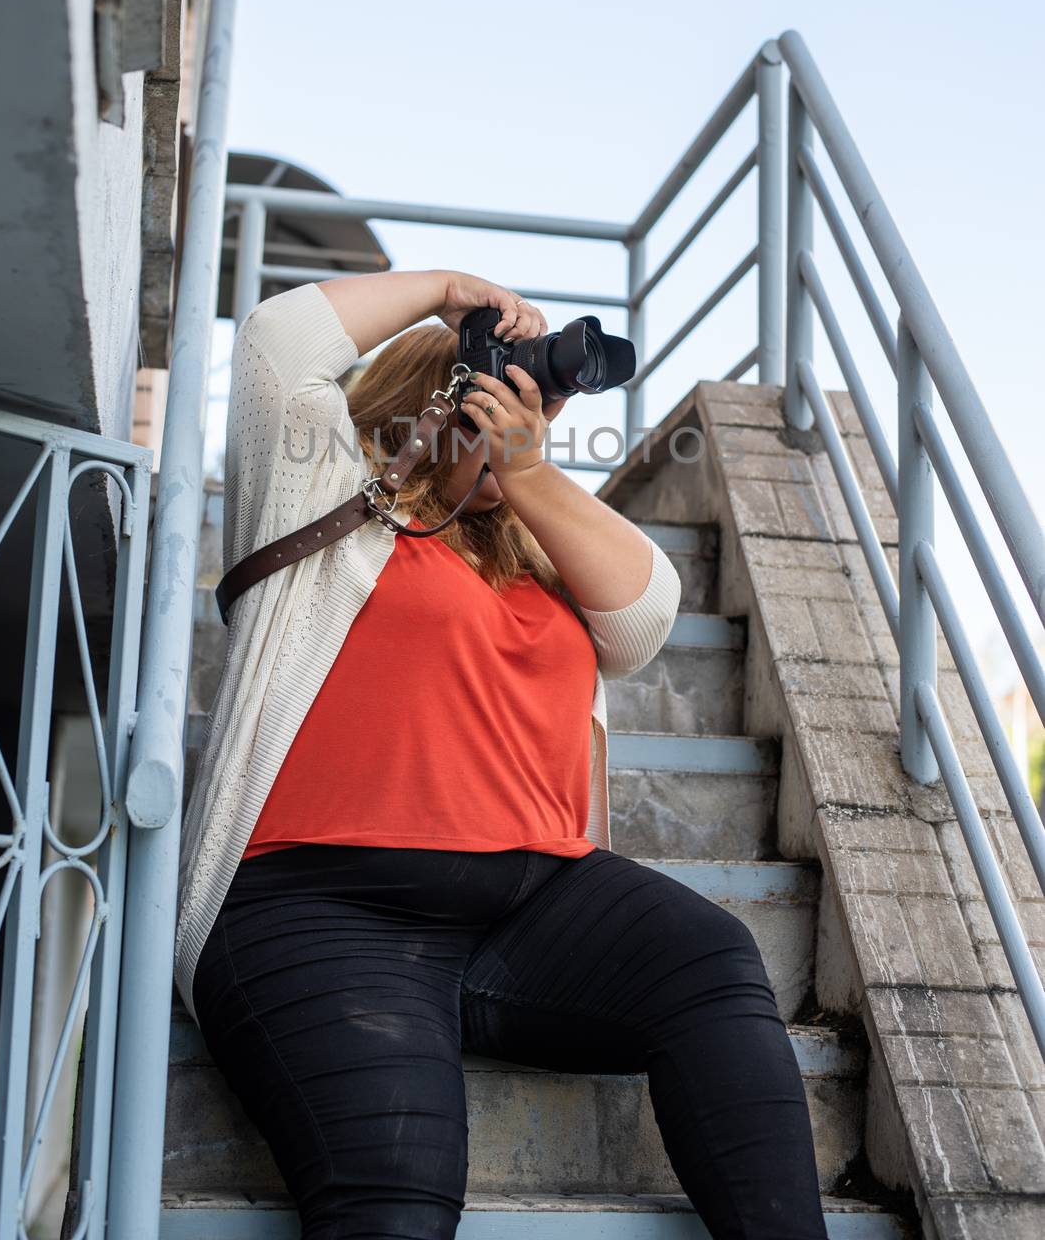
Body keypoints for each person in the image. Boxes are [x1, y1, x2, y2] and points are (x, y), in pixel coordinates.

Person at [175, 268, 829, 1240]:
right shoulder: (324, 504)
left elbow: (646, 612)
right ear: (425, 403)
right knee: (394, 1193)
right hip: (322, 908)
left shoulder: (536, 551)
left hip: (532, 912)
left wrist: (524, 470)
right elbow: (276, 343)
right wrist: (443, 290)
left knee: (710, 958)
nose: (527, 414)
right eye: (497, 392)